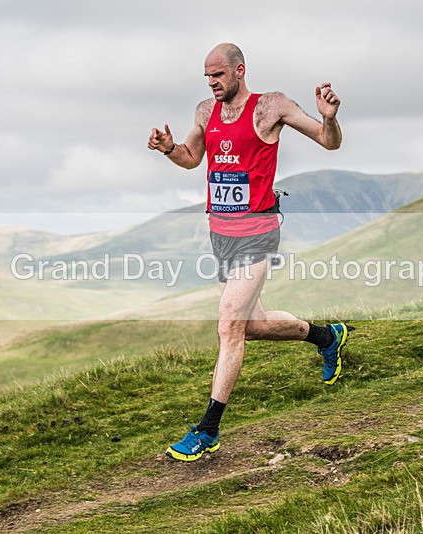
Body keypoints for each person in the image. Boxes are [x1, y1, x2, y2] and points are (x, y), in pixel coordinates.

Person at [147, 43, 349, 462]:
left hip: (258, 232)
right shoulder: (205, 112)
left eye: (218, 75)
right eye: (207, 76)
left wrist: (330, 120)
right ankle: (327, 337)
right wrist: (168, 148)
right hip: (220, 234)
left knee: (228, 326)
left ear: (240, 70)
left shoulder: (271, 106)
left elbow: (328, 143)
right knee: (251, 324)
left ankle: (207, 430)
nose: (212, 83)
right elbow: (190, 158)